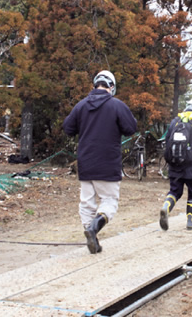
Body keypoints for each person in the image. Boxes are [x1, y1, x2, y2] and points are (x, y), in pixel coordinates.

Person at [63, 70, 137, 254]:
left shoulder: (81, 106)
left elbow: (68, 128)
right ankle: (95, 227)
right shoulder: (117, 105)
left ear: (95, 85)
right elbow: (131, 128)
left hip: (86, 162)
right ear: (111, 87)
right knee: (109, 200)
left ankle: (92, 236)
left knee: (87, 203)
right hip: (108, 162)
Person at [159, 99, 192, 231]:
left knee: (175, 191)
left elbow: (167, 141)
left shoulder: (175, 121)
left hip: (175, 164)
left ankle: (166, 205)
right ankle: (191, 221)